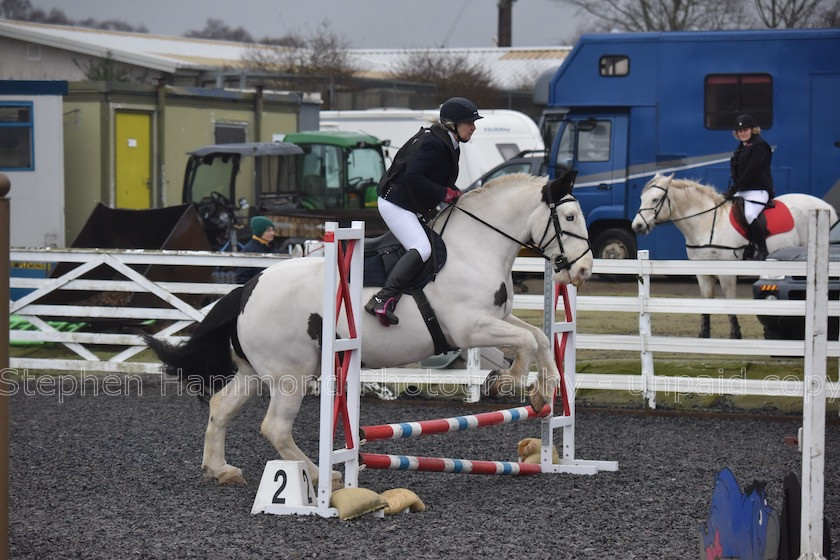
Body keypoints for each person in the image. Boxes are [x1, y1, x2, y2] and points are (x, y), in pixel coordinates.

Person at [364, 96, 483, 326]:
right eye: (469, 122)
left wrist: (457, 194)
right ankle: (382, 298)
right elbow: (414, 177)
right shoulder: (434, 143)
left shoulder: (449, 143)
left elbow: (440, 180)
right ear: (453, 125)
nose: (473, 127)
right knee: (422, 248)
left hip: (410, 204)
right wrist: (443, 193)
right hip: (396, 203)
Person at [725, 113, 775, 261]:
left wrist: (734, 189)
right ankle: (745, 246)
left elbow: (751, 172)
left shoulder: (760, 145)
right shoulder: (741, 147)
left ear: (753, 130)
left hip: (758, 190)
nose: (743, 133)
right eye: (740, 131)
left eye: (746, 130)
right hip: (742, 190)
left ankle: (762, 250)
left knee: (749, 215)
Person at [235, 216, 275, 284]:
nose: (272, 233)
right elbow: (242, 277)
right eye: (268, 230)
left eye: (272, 230)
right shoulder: (249, 250)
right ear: (259, 231)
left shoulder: (271, 246)